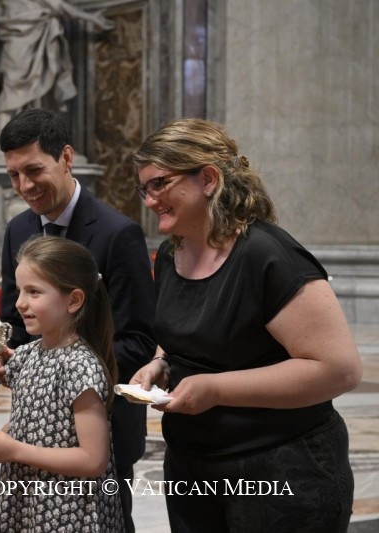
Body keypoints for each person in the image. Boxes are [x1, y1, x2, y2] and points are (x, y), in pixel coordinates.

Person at [130, 118, 362, 532]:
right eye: (144, 188)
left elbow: (339, 370)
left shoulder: (266, 255)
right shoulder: (169, 254)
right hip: (192, 465)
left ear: (208, 179)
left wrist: (217, 389)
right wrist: (161, 364)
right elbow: (186, 333)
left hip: (282, 465)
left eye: (160, 184)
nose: (149, 200)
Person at [0, 107, 155, 532]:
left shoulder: (118, 233)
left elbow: (140, 340)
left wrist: (67, 374)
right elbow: (15, 323)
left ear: (66, 158)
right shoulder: (18, 230)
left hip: (102, 427)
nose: (24, 186)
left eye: (34, 170)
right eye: (13, 175)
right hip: (33, 433)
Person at [0, 236, 123, 531]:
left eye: (34, 292)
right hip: (28, 498)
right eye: (19, 291)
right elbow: (36, 420)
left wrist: (14, 450)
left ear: (74, 300)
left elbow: (93, 459)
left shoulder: (80, 366)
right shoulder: (28, 354)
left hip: (66, 510)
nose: (20, 303)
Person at [0, 0, 112, 155]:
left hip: (37, 33)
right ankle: (1, 135)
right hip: (14, 35)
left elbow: (58, 5)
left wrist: (91, 18)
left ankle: (38, 137)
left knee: (37, 90)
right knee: (11, 87)